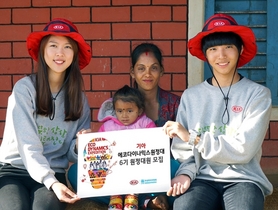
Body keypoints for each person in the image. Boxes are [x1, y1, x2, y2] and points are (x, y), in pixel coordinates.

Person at [163, 13, 273, 210]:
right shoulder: (191, 96)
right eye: (213, 49)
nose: (221, 56)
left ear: (239, 49)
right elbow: (183, 150)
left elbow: (243, 150)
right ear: (206, 54)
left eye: (228, 47)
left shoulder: (258, 94)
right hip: (201, 178)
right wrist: (186, 173)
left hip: (244, 178)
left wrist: (194, 138)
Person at [0, 18, 92, 210]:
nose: (60, 52)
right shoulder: (24, 89)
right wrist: (51, 182)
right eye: (53, 45)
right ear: (42, 50)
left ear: (75, 54)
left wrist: (79, 146)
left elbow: (71, 155)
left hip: (53, 172)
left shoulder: (79, 100)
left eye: (67, 46)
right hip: (12, 171)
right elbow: (27, 144)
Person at [130, 43, 180, 210]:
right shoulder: (120, 104)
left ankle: (153, 198)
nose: (147, 74)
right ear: (132, 72)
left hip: (166, 170)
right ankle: (150, 200)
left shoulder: (175, 104)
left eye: (154, 68)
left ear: (162, 71)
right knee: (76, 174)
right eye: (141, 68)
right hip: (130, 170)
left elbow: (183, 149)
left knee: (181, 169)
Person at [98, 84, 156, 210]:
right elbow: (100, 148)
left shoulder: (146, 124)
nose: (124, 115)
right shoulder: (107, 127)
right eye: (120, 111)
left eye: (129, 111)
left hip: (138, 169)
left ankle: (133, 196)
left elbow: (154, 145)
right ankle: (116, 196)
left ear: (139, 110)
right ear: (114, 110)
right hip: (115, 170)